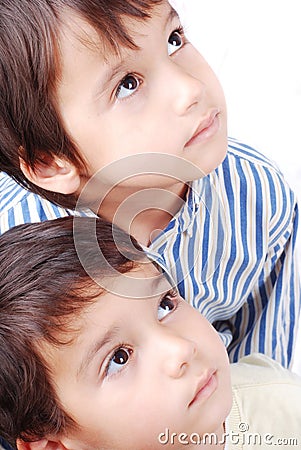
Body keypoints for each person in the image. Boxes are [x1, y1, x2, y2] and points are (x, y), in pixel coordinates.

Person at [0, 0, 300, 369]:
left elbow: (262, 373)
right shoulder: (11, 249)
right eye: (127, 84)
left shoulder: (257, 194)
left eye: (174, 40)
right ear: (50, 161)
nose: (190, 89)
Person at [0, 216, 301, 450]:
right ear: (53, 445)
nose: (181, 349)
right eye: (119, 358)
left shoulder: (282, 406)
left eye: (164, 305)